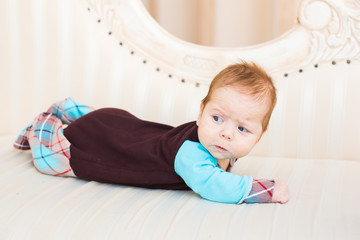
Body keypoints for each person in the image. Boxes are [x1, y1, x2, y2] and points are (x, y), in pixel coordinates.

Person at [14, 61, 289, 204]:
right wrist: (267, 190)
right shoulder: (191, 156)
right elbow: (214, 187)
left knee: (108, 120)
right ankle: (47, 120)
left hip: (116, 124)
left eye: (242, 128)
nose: (226, 134)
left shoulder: (216, 143)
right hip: (94, 150)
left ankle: (70, 109)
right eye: (217, 118)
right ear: (201, 111)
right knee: (48, 159)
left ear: (260, 134)